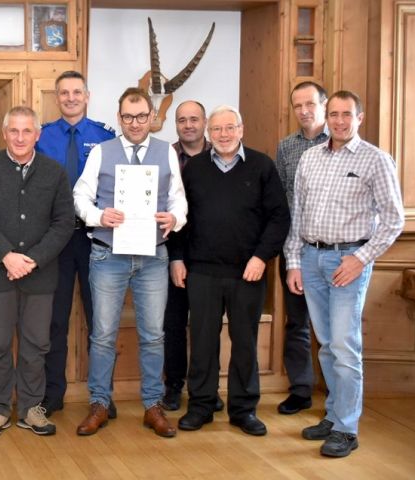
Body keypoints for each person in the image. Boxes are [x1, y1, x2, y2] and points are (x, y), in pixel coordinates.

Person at [285, 90, 404, 457]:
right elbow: (298, 215)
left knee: (345, 345)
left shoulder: (375, 160)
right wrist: (293, 261)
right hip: (311, 259)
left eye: (346, 114)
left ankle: (347, 428)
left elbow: (394, 220)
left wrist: (361, 258)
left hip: (347, 263)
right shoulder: (309, 158)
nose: (338, 121)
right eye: (333, 114)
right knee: (325, 344)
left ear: (360, 117)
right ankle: (333, 415)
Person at [74, 87, 187, 438]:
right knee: (103, 334)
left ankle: (152, 406)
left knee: (153, 336)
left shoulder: (165, 152)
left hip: (153, 256)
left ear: (152, 117)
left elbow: (178, 199)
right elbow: (80, 195)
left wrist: (175, 219)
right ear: (119, 117)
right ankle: (100, 404)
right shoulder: (101, 152)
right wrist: (97, 215)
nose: (135, 123)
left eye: (141, 116)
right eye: (127, 116)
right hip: (108, 255)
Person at [175, 105, 290, 437]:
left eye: (230, 128)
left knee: (245, 342)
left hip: (248, 272)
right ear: (209, 134)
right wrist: (177, 258)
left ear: (241, 129)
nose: (223, 135)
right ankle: (201, 405)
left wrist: (261, 258)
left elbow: (279, 218)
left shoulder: (262, 165)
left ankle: (243, 409)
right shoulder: (194, 169)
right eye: (217, 129)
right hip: (202, 271)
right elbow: (181, 219)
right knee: (202, 341)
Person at [0, 106, 75, 437]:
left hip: (40, 276)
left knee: (36, 345)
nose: (20, 137)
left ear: (37, 135)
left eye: (27, 131)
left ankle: (31, 409)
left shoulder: (54, 172)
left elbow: (64, 222)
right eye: (14, 131)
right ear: (4, 133)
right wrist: (6, 256)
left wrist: (33, 259)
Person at [35, 70, 116, 417]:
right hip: (56, 241)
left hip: (95, 239)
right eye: (64, 92)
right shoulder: (42, 137)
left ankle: (103, 397)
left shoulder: (105, 137)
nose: (70, 97)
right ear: (57, 97)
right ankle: (53, 394)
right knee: (55, 319)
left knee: (102, 320)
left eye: (76, 92)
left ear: (87, 95)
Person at [161, 100, 220, 412]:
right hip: (176, 255)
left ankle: (207, 386)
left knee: (207, 326)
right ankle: (173, 385)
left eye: (194, 119)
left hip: (213, 258)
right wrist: (175, 257)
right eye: (182, 120)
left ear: (204, 121)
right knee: (173, 324)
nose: (188, 125)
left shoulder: (223, 155)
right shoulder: (167, 157)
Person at [274, 81, 329, 415]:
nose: (304, 111)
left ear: (323, 104)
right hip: (294, 249)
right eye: (297, 106)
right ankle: (301, 389)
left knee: (331, 329)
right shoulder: (286, 147)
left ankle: (336, 396)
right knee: (297, 323)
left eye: (310, 104)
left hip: (333, 251)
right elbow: (282, 199)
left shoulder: (339, 142)